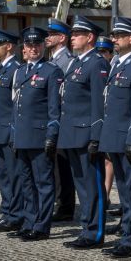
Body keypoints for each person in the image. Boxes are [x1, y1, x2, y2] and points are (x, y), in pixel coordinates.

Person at [8, 27, 64, 241]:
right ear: (24, 47)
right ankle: (29, 221)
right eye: (30, 45)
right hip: (22, 136)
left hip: (40, 136)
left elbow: (54, 108)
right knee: (26, 182)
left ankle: (41, 225)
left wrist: (52, 134)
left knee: (43, 183)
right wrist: (13, 135)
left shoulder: (52, 71)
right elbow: (16, 108)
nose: (33, 49)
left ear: (43, 46)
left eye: (37, 44)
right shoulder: (20, 71)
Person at [99, 17, 131, 258]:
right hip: (114, 136)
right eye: (114, 36)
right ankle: (126, 234)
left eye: (119, 36)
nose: (114, 40)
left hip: (128, 137)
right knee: (124, 193)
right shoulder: (118, 64)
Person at [58, 16, 110, 250]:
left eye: (77, 34)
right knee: (82, 185)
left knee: (92, 185)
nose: (72, 38)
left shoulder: (96, 63)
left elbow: (99, 103)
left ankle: (95, 232)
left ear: (90, 37)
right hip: (71, 133)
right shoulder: (76, 63)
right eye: (72, 34)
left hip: (87, 133)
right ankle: (86, 228)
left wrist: (96, 136)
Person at [0, 28, 24, 232]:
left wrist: (13, 131)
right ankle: (7, 211)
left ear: (8, 46)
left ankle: (15, 214)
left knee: (13, 175)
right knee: (4, 176)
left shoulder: (16, 69)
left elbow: (17, 104)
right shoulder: (2, 68)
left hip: (9, 130)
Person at [46, 19, 76, 222]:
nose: (47, 38)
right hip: (53, 117)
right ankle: (61, 203)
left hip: (62, 118)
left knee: (62, 165)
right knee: (55, 164)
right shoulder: (53, 59)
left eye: (51, 34)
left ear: (62, 38)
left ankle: (65, 206)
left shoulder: (65, 60)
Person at [95, 36, 117, 204]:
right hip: (100, 117)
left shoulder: (113, 66)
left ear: (110, 53)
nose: (101, 54)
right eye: (98, 51)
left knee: (108, 159)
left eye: (104, 51)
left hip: (110, 118)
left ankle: (107, 194)